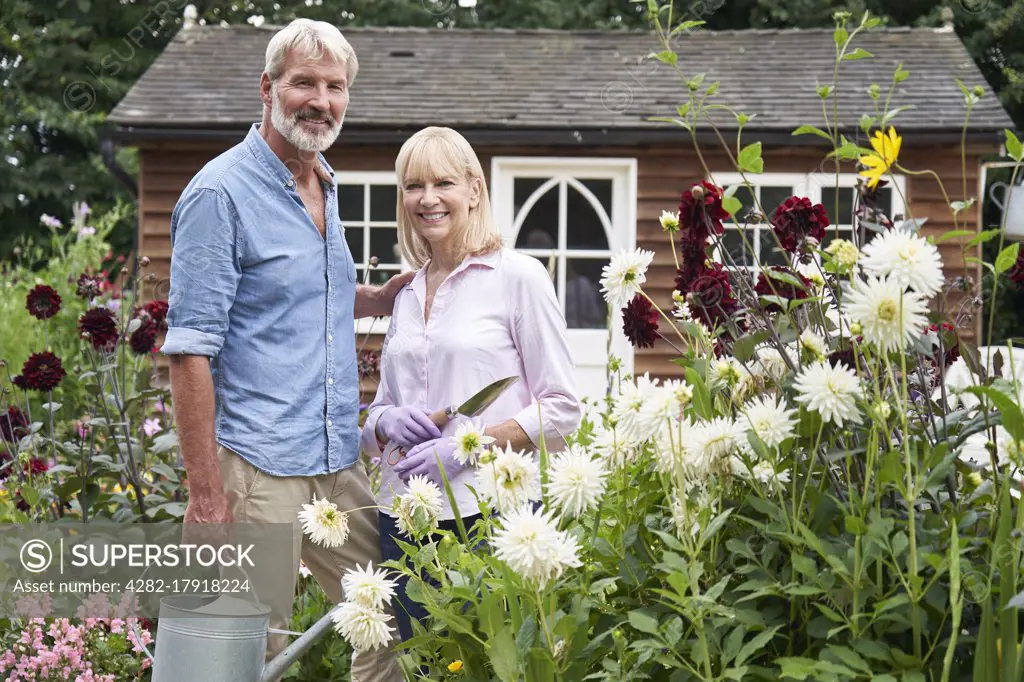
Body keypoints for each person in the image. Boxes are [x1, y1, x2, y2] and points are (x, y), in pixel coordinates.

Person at [162, 19, 408, 680]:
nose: (320, 100)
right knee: (239, 656)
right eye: (305, 82)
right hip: (256, 467)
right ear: (267, 88)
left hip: (334, 457)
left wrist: (374, 299)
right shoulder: (221, 195)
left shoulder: (322, 180)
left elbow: (296, 290)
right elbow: (188, 353)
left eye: (335, 86)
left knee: (393, 616)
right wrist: (208, 499)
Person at [359, 126, 582, 642]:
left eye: (444, 183)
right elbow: (380, 416)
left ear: (475, 190)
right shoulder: (407, 293)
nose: (428, 199)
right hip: (405, 521)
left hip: (486, 515)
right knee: (420, 667)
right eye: (413, 186)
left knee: (485, 664)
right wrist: (384, 421)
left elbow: (563, 407)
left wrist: (468, 447)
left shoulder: (518, 278)